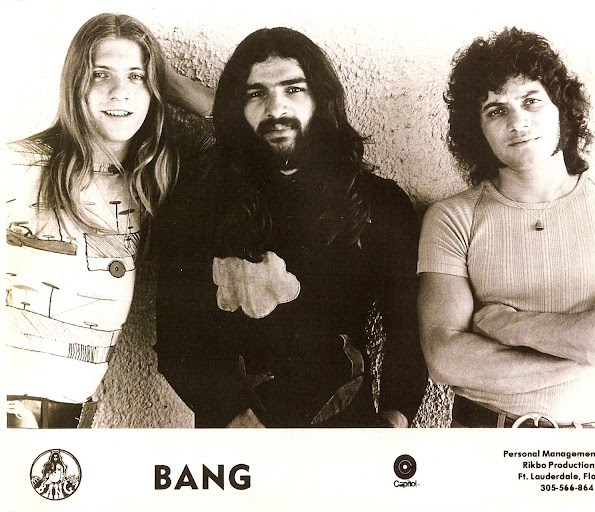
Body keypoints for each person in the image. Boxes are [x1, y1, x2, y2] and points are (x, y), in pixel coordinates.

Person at [155, 27, 427, 428]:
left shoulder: (379, 203)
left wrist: (395, 420)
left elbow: (408, 331)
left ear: (321, 98)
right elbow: (176, 339)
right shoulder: (199, 201)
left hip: (346, 434)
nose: (275, 109)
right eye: (256, 93)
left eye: (294, 89)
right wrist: (234, 418)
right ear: (237, 106)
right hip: (235, 439)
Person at [417, 27, 595, 428]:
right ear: (477, 130)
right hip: (482, 441)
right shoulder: (452, 218)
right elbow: (445, 359)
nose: (517, 122)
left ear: (561, 109)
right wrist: (593, 352)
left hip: (593, 448)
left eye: (531, 101)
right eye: (495, 110)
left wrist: (505, 324)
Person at [5, 13, 178, 428]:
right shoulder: (18, 166)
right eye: (100, 74)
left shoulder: (150, 181)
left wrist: (166, 79)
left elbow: (241, 129)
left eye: (136, 77)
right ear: (74, 83)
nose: (120, 91)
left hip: (71, 421)